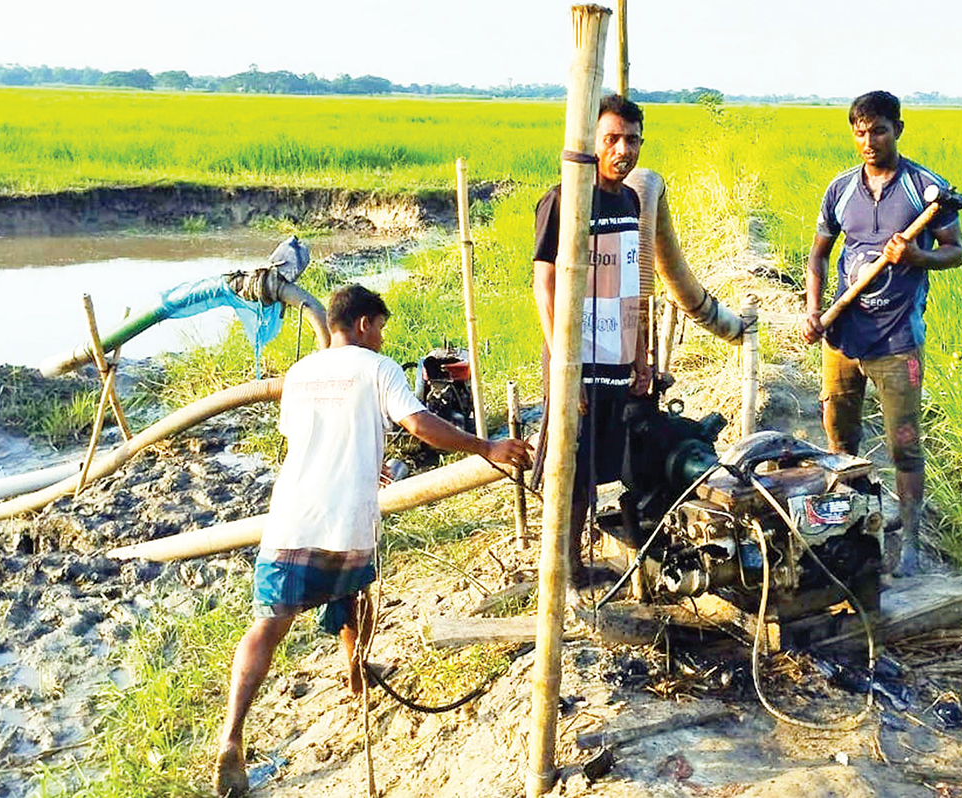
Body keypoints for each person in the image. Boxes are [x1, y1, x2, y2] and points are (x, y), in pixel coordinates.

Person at [213, 284, 532, 797]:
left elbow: (308, 440)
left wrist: (370, 461)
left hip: (291, 517)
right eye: (380, 327)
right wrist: (485, 447)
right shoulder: (376, 367)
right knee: (355, 593)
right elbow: (420, 423)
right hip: (346, 519)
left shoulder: (298, 373)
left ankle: (232, 736)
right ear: (362, 324)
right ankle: (357, 674)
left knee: (268, 625)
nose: (383, 338)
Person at [801, 90, 962, 578]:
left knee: (904, 444)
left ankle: (909, 540)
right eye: (859, 131)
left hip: (897, 342)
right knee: (839, 439)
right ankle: (844, 530)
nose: (868, 141)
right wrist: (813, 310)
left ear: (898, 129)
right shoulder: (841, 189)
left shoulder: (924, 189)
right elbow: (818, 256)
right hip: (843, 338)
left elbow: (956, 251)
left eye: (878, 130)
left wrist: (916, 257)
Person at [532, 94, 652, 589]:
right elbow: (544, 282)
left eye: (632, 140)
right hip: (576, 357)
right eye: (612, 139)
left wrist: (641, 356)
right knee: (569, 465)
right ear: (593, 141)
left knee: (603, 465)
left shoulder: (631, 200)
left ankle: (578, 558)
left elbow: (631, 281)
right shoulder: (564, 200)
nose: (622, 150)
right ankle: (560, 566)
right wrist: (566, 362)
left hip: (617, 353)